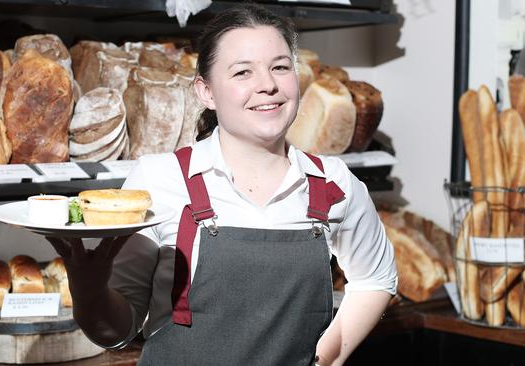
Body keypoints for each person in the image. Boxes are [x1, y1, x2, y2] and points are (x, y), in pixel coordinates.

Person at [46, 3, 397, 365]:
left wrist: (328, 358)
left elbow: (376, 278)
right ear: (206, 92)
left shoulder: (333, 184)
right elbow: (117, 332)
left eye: (280, 67)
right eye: (242, 72)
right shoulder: (159, 179)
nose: (268, 85)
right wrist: (90, 292)